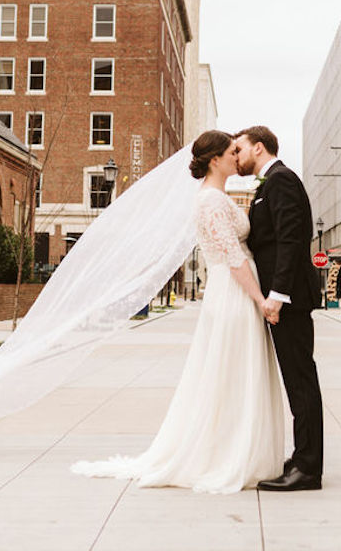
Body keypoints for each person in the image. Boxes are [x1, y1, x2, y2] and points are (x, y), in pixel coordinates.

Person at [70, 130, 285, 493]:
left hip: (234, 290)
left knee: (232, 371)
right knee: (229, 372)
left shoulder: (215, 197)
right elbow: (233, 258)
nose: (238, 156)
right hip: (234, 292)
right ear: (215, 159)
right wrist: (260, 299)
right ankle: (225, 454)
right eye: (232, 151)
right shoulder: (210, 202)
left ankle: (237, 448)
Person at [234, 125, 325, 492]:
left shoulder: (282, 180)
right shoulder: (270, 183)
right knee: (296, 380)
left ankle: (308, 468)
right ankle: (303, 457)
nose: (235, 155)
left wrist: (278, 295)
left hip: (289, 300)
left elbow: (290, 240)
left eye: (239, 149)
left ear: (258, 147)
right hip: (283, 299)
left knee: (301, 380)